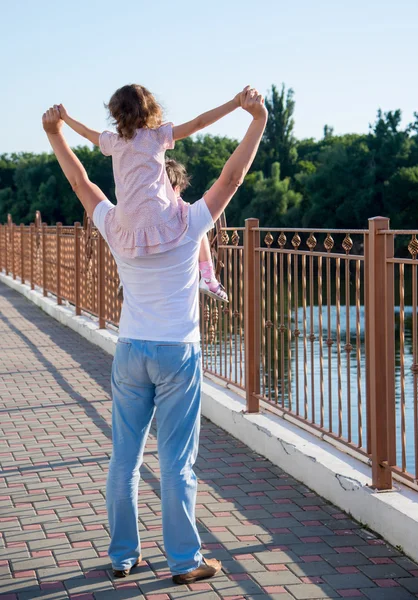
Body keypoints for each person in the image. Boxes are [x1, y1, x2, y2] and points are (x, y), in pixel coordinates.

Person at [42, 86, 267, 584]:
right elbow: (232, 177)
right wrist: (256, 119)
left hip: (130, 351)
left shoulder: (118, 225)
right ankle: (185, 561)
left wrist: (55, 133)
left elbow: (81, 182)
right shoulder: (188, 223)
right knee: (177, 464)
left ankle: (123, 556)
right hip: (178, 352)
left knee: (123, 460)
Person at [58, 84, 245, 301]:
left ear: (116, 114)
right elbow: (198, 123)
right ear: (150, 109)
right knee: (188, 214)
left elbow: (85, 133)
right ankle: (208, 276)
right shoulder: (157, 136)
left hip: (127, 220)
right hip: (158, 215)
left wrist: (65, 118)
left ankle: (127, 278)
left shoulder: (113, 141)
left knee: (116, 226)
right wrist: (234, 103)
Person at [117, 158, 222, 302]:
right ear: (177, 187)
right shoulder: (182, 208)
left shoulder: (145, 204)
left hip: (144, 251)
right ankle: (208, 277)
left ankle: (126, 277)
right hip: (174, 242)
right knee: (198, 227)